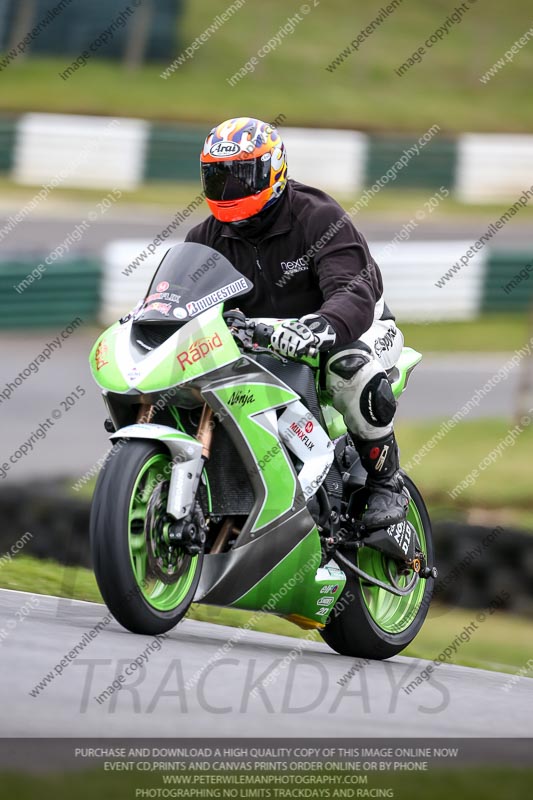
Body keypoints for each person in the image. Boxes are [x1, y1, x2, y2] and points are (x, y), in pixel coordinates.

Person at [185, 116, 409, 530]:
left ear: (273, 170)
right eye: (218, 179)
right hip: (262, 343)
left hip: (357, 328)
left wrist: (318, 329)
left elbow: (353, 290)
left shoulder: (317, 217)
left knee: (350, 368)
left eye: (241, 176)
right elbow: (181, 304)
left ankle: (385, 484)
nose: (230, 189)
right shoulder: (204, 239)